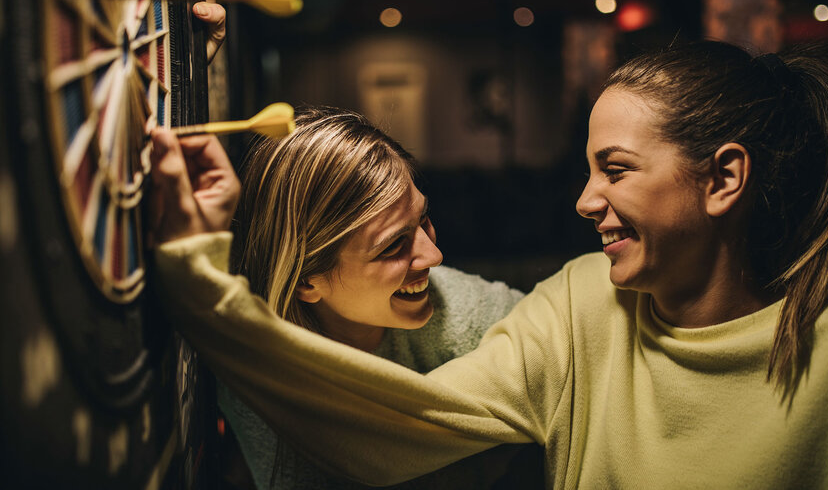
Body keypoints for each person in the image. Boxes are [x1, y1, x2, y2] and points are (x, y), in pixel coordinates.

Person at [151, 40, 828, 489]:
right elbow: (406, 420)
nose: (586, 200)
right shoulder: (580, 307)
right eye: (589, 170)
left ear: (723, 179)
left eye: (614, 168)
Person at [152, 107, 540, 489]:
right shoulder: (257, 371)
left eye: (423, 219)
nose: (433, 257)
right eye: (392, 247)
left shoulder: (475, 317)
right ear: (306, 282)